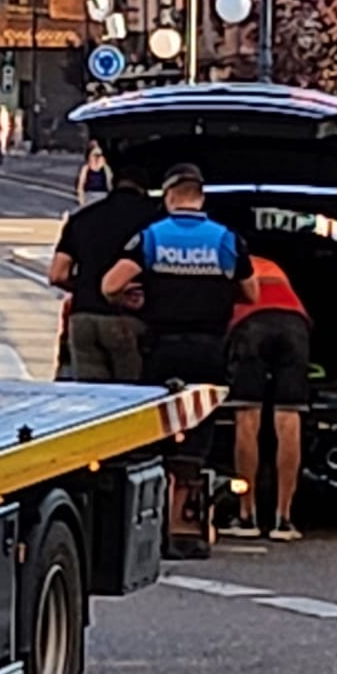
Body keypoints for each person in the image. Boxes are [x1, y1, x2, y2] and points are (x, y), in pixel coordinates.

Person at [103, 162, 257, 548]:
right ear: (200, 197)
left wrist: (130, 298)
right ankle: (186, 524)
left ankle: (152, 520)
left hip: (164, 348)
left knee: (159, 431)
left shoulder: (152, 237)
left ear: (170, 196)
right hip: (209, 349)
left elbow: (110, 285)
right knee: (198, 435)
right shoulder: (226, 240)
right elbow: (251, 294)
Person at [225, 254, 312, 543]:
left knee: (248, 416)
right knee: (288, 416)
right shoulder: (273, 266)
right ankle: (284, 519)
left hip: (251, 325)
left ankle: (246, 515)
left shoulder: (226, 258)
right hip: (295, 324)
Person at [50, 166, 156, 383]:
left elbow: (57, 274)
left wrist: (85, 287)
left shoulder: (82, 218)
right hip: (127, 319)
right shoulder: (154, 220)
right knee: (130, 397)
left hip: (83, 318)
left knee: (91, 397)